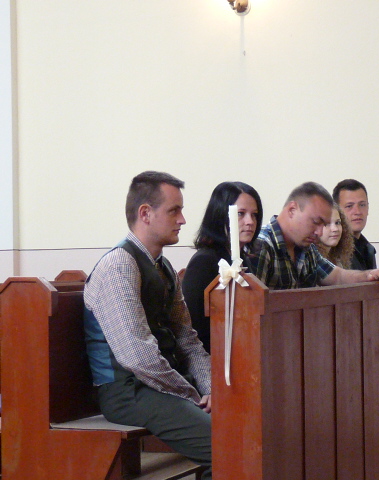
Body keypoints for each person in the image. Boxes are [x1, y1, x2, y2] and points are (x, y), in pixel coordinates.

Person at [83, 171, 213, 479]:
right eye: (174, 211)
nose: (183, 220)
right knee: (227, 446)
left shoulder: (163, 267)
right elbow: (136, 356)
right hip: (129, 391)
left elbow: (188, 340)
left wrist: (211, 389)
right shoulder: (119, 265)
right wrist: (192, 395)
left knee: (245, 428)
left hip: (162, 385)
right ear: (145, 213)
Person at [250, 181, 379, 290]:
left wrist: (369, 275)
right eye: (316, 222)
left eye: (324, 225)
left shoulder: (306, 248)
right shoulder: (261, 245)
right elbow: (252, 310)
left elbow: (338, 277)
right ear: (292, 210)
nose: (319, 232)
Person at [182, 181, 263, 353]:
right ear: (220, 215)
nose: (250, 222)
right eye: (240, 214)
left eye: (254, 215)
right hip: (213, 355)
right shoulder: (204, 262)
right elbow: (193, 327)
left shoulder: (243, 260)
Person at [333, 178, 376, 270]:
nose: (357, 212)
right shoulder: (333, 250)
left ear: (368, 208)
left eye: (362, 205)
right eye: (349, 206)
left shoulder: (368, 249)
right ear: (337, 211)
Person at [315, 203, 354, 269]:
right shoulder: (309, 261)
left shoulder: (338, 260)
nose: (335, 229)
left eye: (337, 223)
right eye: (327, 223)